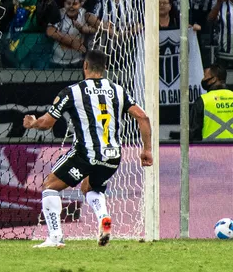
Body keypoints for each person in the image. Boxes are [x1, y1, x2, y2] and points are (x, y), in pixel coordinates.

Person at [22, 50, 153, 248]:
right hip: (112, 157)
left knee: (49, 186)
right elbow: (143, 117)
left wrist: (32, 123)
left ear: (85, 66)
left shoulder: (72, 91)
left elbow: (47, 123)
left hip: (85, 154)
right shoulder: (118, 90)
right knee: (88, 187)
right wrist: (147, 150)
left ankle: (55, 237)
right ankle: (104, 217)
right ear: (105, 68)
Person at [191, 65, 233, 141]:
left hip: (210, 150)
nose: (203, 79)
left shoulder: (203, 100)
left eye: (204, 76)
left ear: (213, 79)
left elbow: (193, 132)